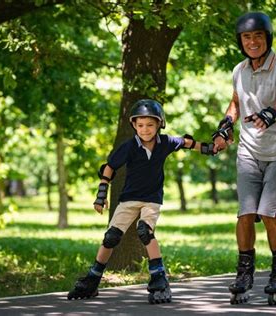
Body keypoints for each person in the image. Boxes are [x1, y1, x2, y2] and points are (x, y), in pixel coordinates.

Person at [67, 99, 215, 304]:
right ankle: (92, 278)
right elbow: (109, 167)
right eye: (140, 125)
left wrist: (210, 148)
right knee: (111, 237)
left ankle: (159, 278)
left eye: (150, 125)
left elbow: (186, 142)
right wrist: (101, 194)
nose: (145, 130)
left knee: (145, 231)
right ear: (134, 126)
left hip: (152, 200)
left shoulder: (165, 143)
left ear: (159, 124)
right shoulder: (128, 147)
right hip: (129, 198)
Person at [212, 12, 276, 305]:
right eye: (246, 37)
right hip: (248, 151)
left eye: (258, 36)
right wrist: (225, 125)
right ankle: (245, 273)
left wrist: (269, 113)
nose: (252, 42)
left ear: (267, 37)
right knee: (245, 213)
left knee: (267, 213)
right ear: (240, 41)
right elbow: (235, 102)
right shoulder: (239, 70)